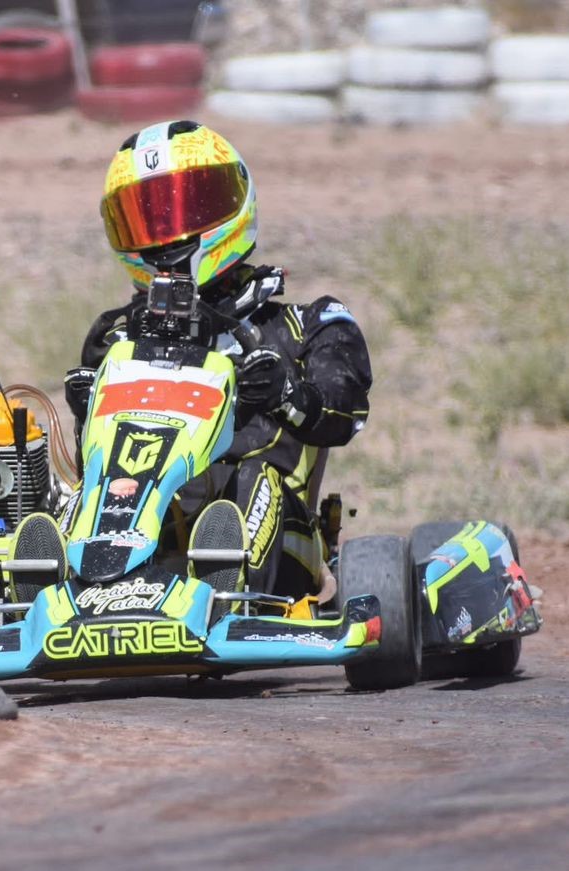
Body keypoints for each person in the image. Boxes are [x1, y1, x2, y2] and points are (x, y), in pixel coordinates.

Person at [65, 120, 373, 600]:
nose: (166, 237)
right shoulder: (117, 336)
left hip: (279, 548)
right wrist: (88, 407)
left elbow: (342, 415)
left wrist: (286, 395)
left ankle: (224, 593)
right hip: (146, 526)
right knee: (64, 489)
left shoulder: (307, 325)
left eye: (185, 210)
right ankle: (53, 588)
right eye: (148, 219)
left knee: (250, 479)